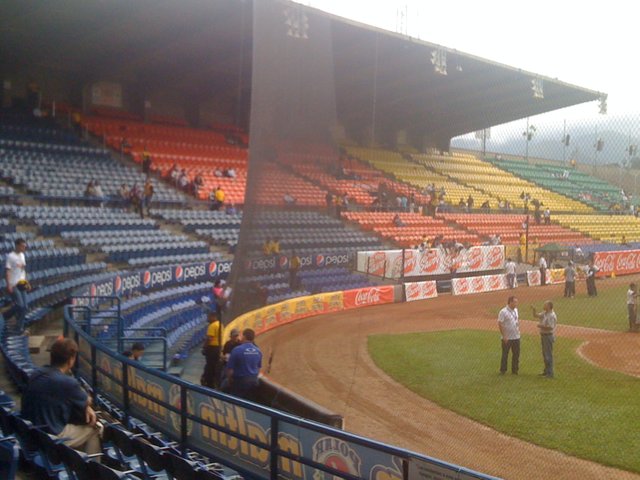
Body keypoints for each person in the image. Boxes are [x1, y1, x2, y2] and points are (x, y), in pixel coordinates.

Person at [21, 338, 102, 454]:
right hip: (49, 438)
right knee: (95, 428)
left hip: (31, 433)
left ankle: (75, 464)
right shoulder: (67, 383)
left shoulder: (36, 373)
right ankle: (91, 469)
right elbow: (87, 399)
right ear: (71, 360)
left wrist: (86, 406)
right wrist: (87, 406)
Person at [226, 328, 262, 400]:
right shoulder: (258, 351)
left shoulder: (237, 350)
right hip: (253, 381)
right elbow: (258, 368)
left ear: (244, 337)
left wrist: (229, 380)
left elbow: (230, 370)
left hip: (240, 381)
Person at [5, 238, 30, 332]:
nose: (24, 248)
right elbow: (7, 271)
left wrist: (27, 282)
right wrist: (8, 285)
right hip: (14, 284)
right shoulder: (10, 256)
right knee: (20, 305)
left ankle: (19, 327)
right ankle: (5, 315)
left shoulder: (22, 255)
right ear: (17, 245)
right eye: (23, 246)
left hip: (22, 283)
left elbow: (23, 270)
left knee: (25, 307)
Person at [531, 301, 557, 378]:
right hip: (544, 336)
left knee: (548, 354)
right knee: (545, 354)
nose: (543, 305)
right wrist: (534, 310)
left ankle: (550, 373)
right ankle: (546, 371)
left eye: (545, 305)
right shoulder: (545, 313)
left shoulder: (551, 315)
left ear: (549, 306)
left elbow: (551, 327)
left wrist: (541, 326)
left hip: (548, 336)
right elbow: (536, 315)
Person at [498, 296, 520, 375]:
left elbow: (516, 320)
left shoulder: (516, 310)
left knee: (516, 354)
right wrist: (504, 336)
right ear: (510, 302)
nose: (516, 304)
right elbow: (500, 323)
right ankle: (503, 370)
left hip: (516, 336)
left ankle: (515, 370)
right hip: (507, 337)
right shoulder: (503, 312)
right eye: (515, 302)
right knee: (505, 354)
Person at [201, 312, 222, 388]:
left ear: (213, 317)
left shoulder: (212, 326)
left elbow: (209, 338)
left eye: (208, 317)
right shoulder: (220, 324)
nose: (207, 319)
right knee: (215, 365)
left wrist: (204, 347)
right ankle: (215, 382)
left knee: (210, 365)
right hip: (218, 348)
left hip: (212, 348)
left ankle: (209, 383)